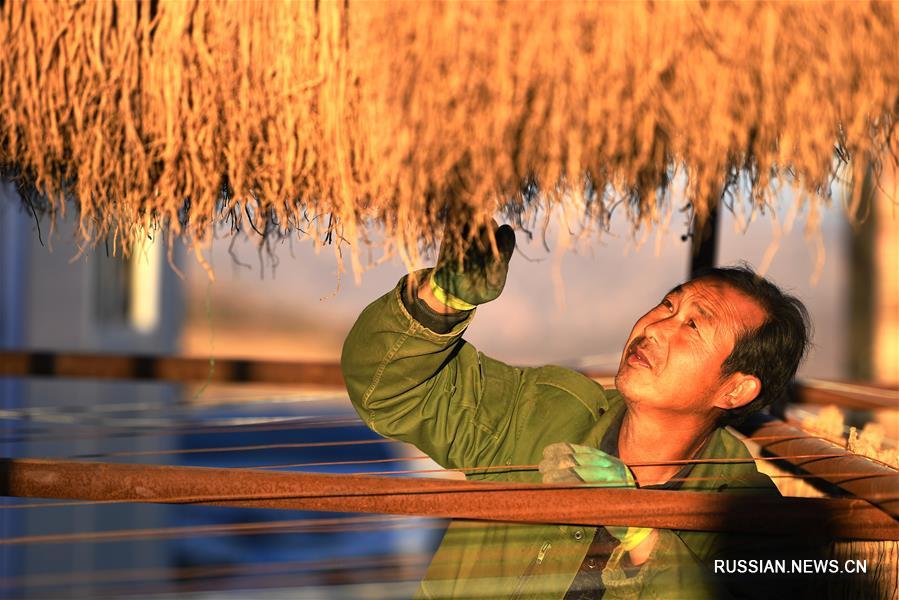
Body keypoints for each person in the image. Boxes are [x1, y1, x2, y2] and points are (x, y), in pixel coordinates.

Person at [341, 221, 811, 599]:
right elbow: (389, 392)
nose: (655, 328)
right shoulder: (543, 409)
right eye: (666, 305)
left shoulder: (748, 513)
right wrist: (443, 299)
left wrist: (641, 529)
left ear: (735, 390)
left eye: (692, 325)